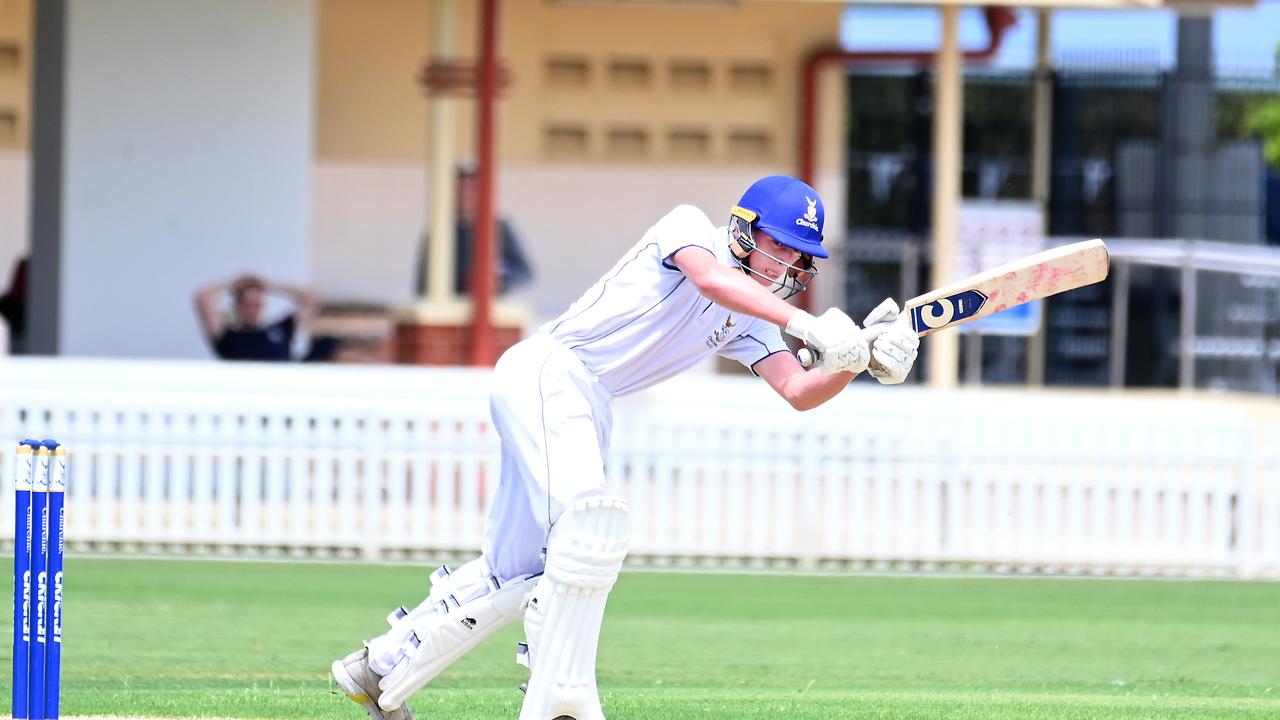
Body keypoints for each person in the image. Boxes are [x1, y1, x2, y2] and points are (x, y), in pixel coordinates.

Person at [330, 176, 920, 720]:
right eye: (782, 244)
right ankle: (560, 703)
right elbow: (713, 281)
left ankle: (377, 670)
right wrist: (809, 324)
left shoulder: (758, 320)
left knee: (519, 569)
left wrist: (856, 360)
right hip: (551, 370)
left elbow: (797, 389)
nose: (790, 263)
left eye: (800, 256)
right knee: (585, 535)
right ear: (743, 226)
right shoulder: (689, 228)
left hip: (590, 402)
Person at [413, 163, 535, 298]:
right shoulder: (441, 229)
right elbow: (422, 283)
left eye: (471, 188)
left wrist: (501, 276)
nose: (466, 194)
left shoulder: (499, 227)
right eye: (460, 188)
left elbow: (525, 272)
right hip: (449, 308)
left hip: (489, 309)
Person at [194, 273, 323, 361]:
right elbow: (202, 298)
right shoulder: (227, 334)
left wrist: (269, 285)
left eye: (256, 304)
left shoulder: (281, 329)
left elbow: (312, 298)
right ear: (237, 306)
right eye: (247, 304)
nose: (252, 310)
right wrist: (234, 284)